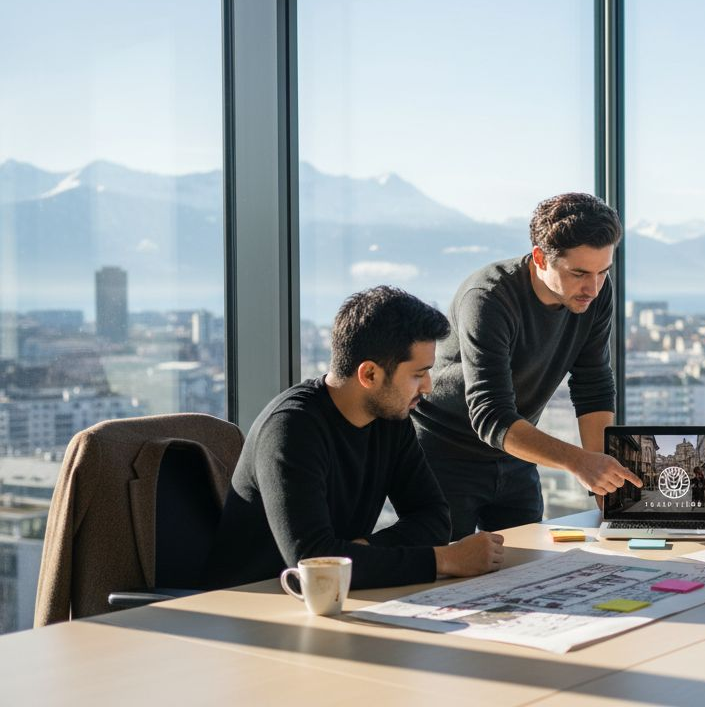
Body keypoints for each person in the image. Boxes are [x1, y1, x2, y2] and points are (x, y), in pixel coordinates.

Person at [206, 287, 505, 590]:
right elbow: (314, 563)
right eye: (418, 374)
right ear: (370, 375)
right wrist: (445, 560)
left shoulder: (390, 418)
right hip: (253, 604)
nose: (427, 387)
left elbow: (435, 520)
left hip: (335, 600)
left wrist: (361, 550)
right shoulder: (290, 429)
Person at [413, 193, 642, 540]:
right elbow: (490, 415)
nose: (592, 288)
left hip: (517, 450)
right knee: (446, 576)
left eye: (602, 272)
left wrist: (602, 484)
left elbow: (593, 386)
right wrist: (580, 462)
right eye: (579, 273)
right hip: (445, 455)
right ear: (540, 257)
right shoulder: (488, 297)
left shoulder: (595, 290)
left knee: (526, 569)